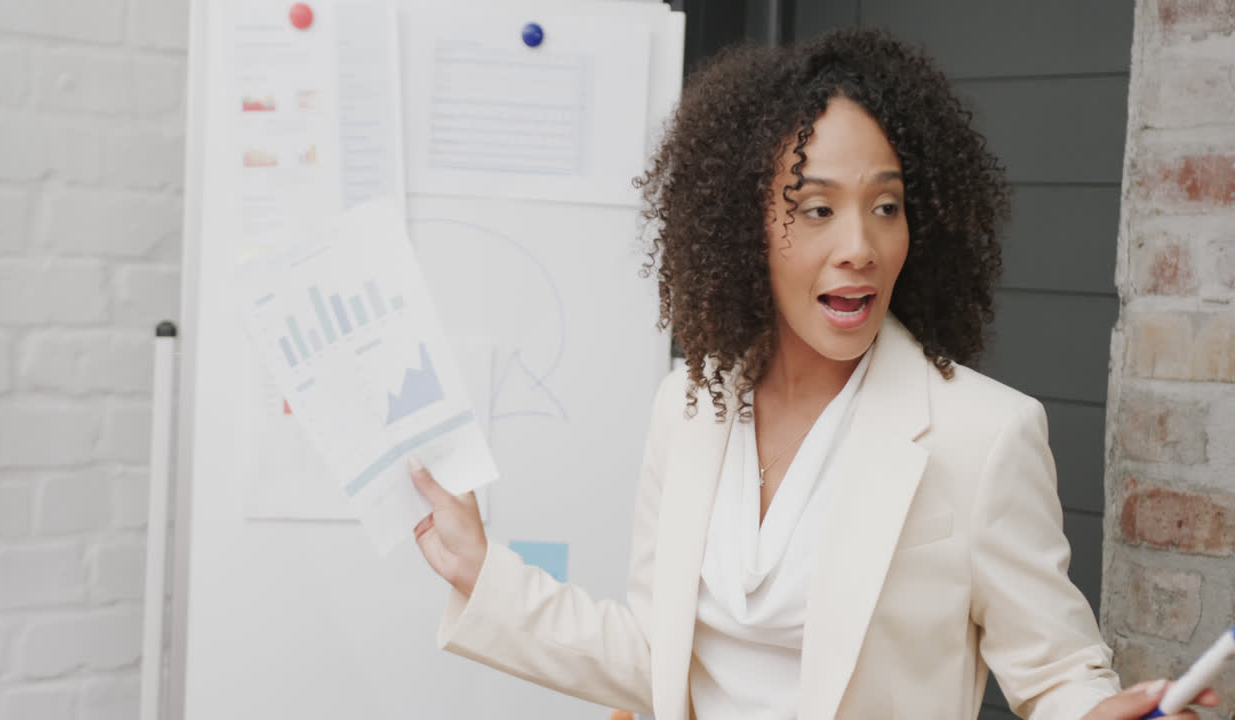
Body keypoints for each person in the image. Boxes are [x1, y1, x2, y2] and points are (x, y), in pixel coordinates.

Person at [407, 28, 1219, 720]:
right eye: (818, 207)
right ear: (742, 224)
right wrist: (482, 570)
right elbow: (657, 659)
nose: (860, 246)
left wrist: (1097, 707)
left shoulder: (983, 434)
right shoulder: (687, 408)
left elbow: (1057, 676)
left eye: (886, 205)